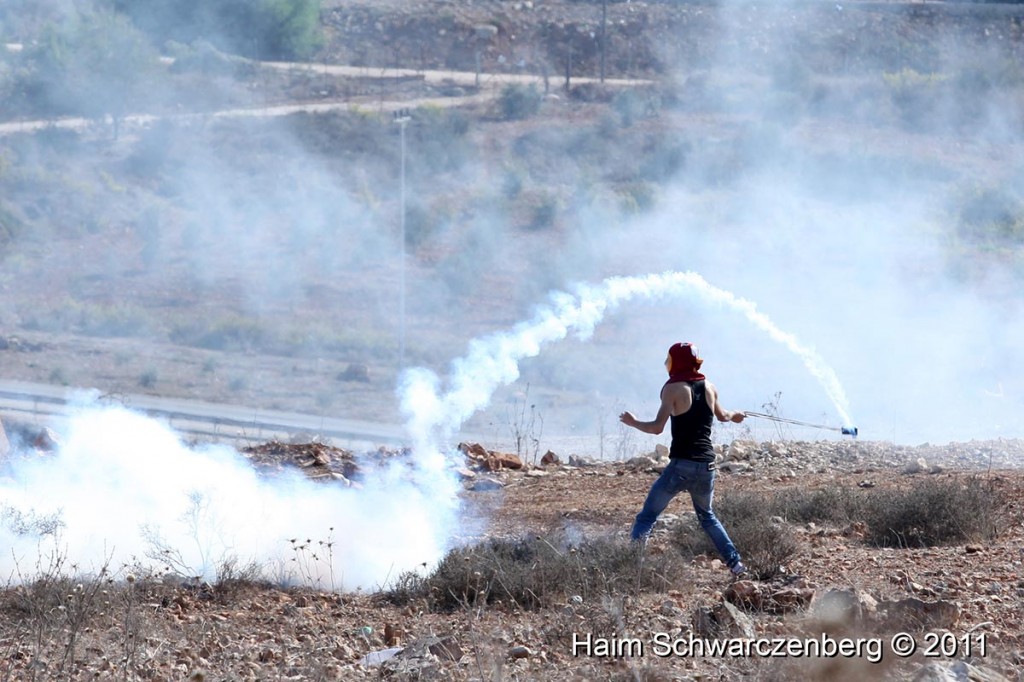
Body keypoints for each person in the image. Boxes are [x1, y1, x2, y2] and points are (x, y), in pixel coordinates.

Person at [619, 342, 747, 576]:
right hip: (707, 466)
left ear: (675, 362)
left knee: (647, 517)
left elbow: (657, 428)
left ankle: (633, 569)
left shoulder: (672, 389)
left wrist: (633, 422)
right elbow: (725, 415)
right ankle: (736, 565)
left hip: (681, 466)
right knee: (707, 517)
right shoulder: (710, 387)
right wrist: (737, 416)